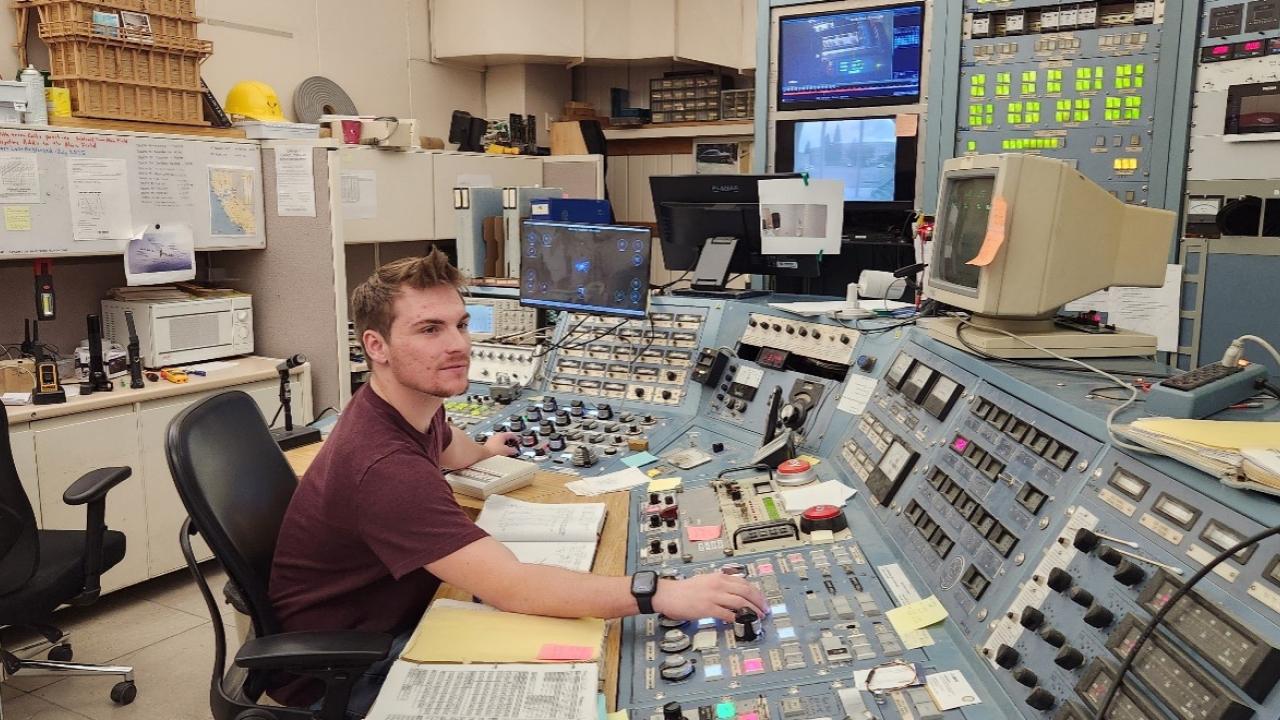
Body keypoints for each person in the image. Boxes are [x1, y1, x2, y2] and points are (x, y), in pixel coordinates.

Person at [267, 248, 766, 717]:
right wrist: (660, 593)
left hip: (389, 617)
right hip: (347, 672)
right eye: (430, 329)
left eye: (461, 324)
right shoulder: (384, 467)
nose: (458, 344)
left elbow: (449, 443)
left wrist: (487, 449)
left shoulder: (403, 406)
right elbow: (515, 588)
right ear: (376, 346)